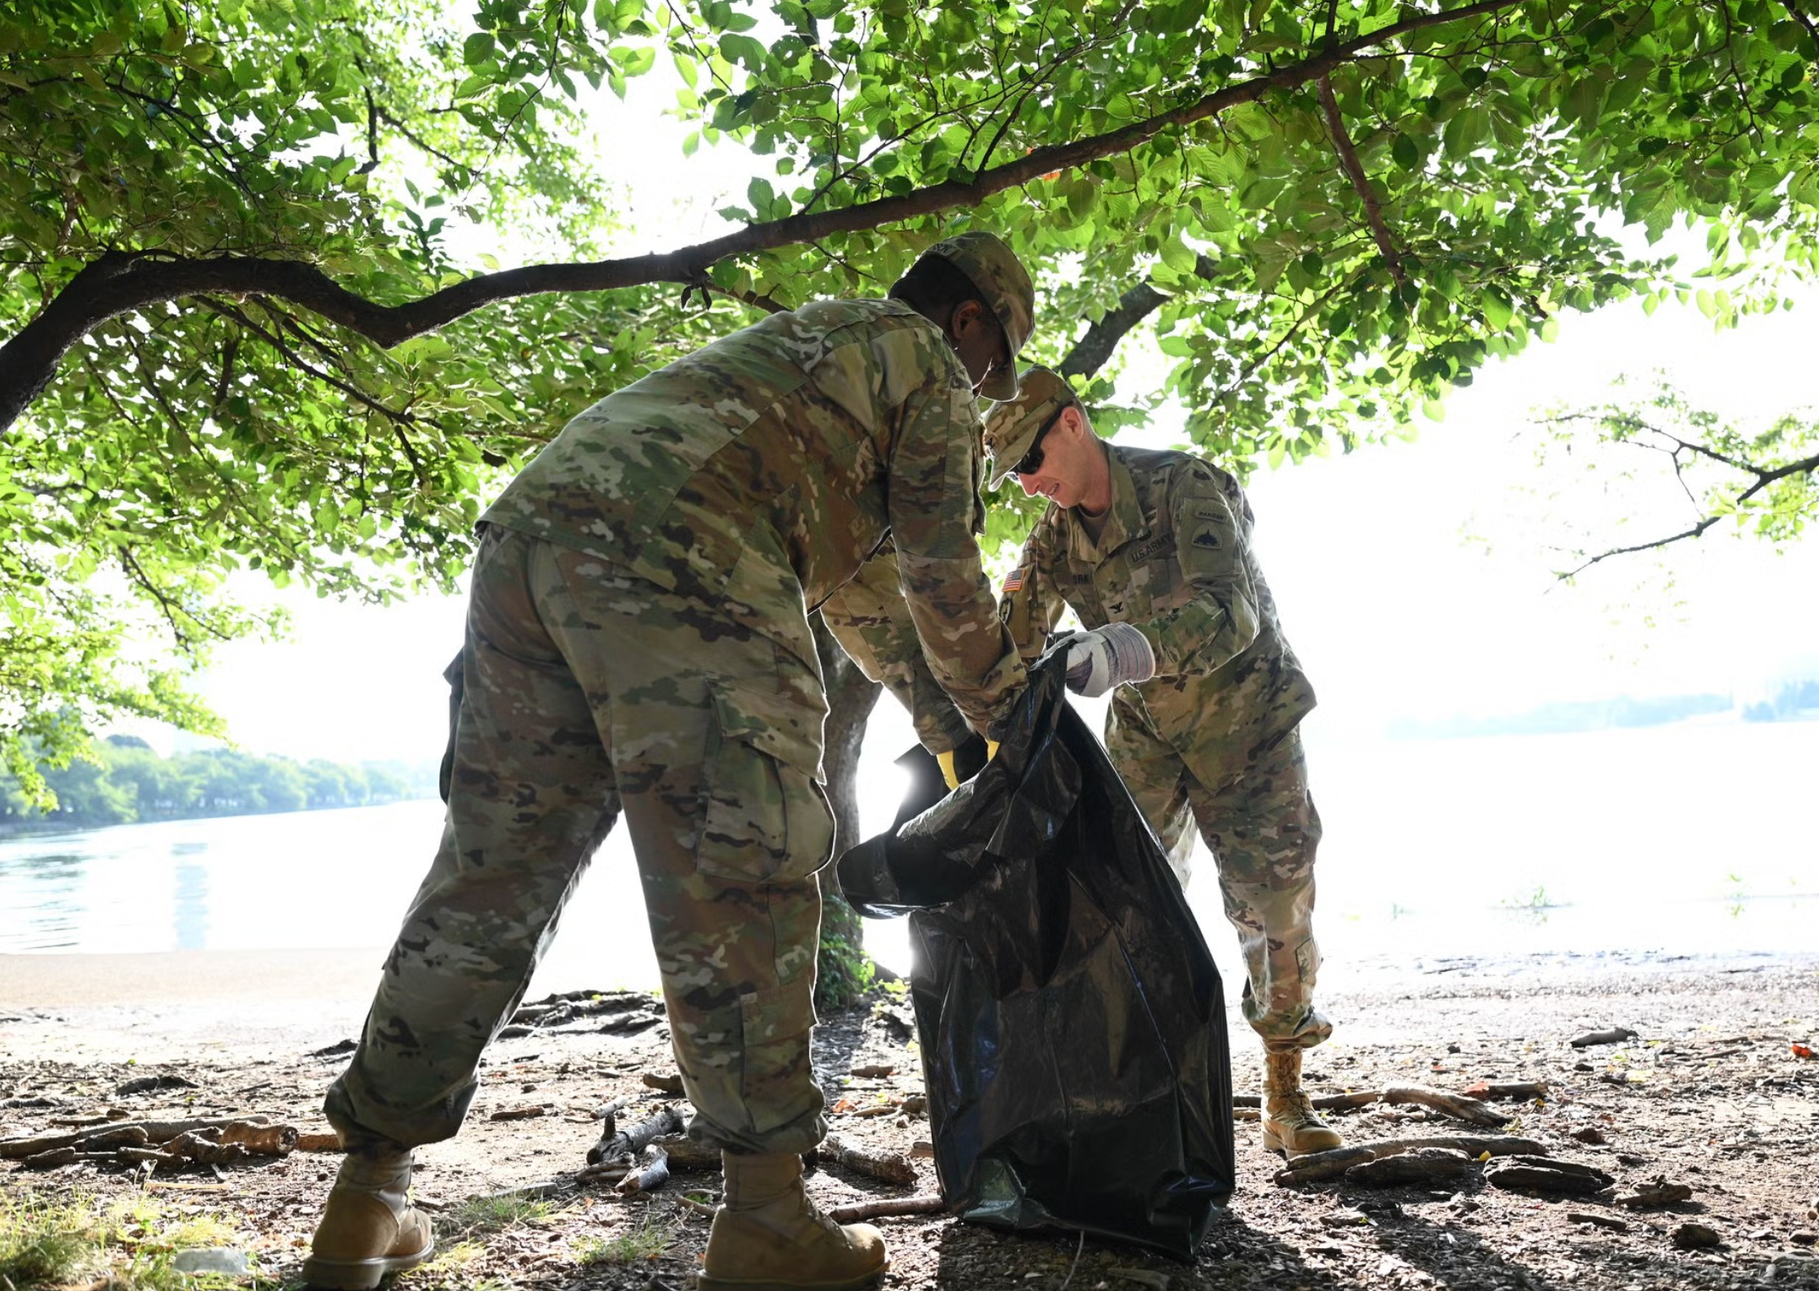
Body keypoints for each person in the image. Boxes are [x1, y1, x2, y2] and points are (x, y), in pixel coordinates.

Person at [301, 232, 1036, 1291]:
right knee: (742, 869)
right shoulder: (922, 359)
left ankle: (367, 1193)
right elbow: (942, 572)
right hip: (683, 545)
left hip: (532, 536)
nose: (983, 386)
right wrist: (1012, 713)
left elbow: (865, 600)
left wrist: (946, 725)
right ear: (967, 322)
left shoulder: (805, 363)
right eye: (991, 363)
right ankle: (768, 1215)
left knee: (493, 874)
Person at [842, 365, 1341, 1159]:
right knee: (1120, 903)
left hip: (1249, 729)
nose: (1029, 484)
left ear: (1072, 423)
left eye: (1031, 461)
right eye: (1014, 474)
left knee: (1274, 911)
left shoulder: (1185, 487)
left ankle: (1286, 1092)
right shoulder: (1054, 539)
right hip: (1146, 739)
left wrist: (1122, 648)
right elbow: (1013, 640)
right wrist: (966, 721)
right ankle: (1141, 1096)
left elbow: (1232, 614)